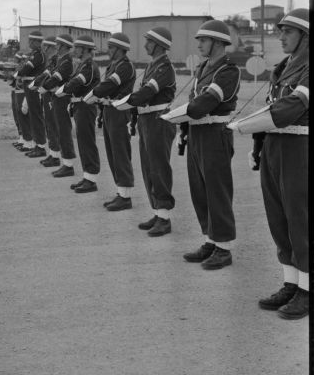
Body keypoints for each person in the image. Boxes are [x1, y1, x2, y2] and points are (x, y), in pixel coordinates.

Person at [228, 8, 309, 319]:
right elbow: (272, 106)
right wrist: (259, 145)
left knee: (300, 220)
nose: (281, 36)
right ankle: (291, 282)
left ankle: (307, 289)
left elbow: (291, 107)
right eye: (280, 30)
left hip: (300, 148)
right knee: (279, 220)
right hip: (276, 147)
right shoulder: (283, 68)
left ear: (306, 36)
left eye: (287, 31)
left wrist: (245, 125)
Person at [162, 19, 240, 270]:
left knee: (217, 190)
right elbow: (194, 101)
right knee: (200, 190)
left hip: (215, 132)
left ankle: (224, 247)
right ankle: (210, 239)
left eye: (203, 40)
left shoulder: (228, 70)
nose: (199, 45)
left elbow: (204, 102)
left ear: (218, 42)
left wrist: (173, 116)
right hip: (197, 133)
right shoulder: (203, 68)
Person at [116, 27, 176, 236]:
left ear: (159, 44)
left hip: (159, 120)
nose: (145, 45)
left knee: (159, 168)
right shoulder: (153, 66)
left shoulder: (164, 68)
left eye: (149, 41)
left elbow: (148, 92)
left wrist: (125, 103)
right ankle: (158, 212)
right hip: (146, 119)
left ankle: (165, 218)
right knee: (149, 168)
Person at [87, 32, 136, 211]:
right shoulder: (113, 65)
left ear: (120, 49)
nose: (109, 50)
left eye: (111, 47)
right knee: (112, 153)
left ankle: (125, 196)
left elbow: (109, 85)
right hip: (109, 110)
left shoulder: (125, 66)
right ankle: (120, 192)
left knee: (120, 153)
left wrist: (91, 96)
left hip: (119, 111)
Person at [62, 35, 101, 193]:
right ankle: (87, 177)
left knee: (87, 142)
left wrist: (64, 90)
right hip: (80, 105)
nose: (74, 50)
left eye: (77, 47)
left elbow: (78, 82)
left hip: (86, 106)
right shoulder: (82, 64)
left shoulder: (89, 66)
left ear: (85, 49)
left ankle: (91, 180)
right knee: (83, 142)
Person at [43, 34, 76, 178]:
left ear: (63, 46)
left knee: (63, 131)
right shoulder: (60, 60)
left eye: (58, 44)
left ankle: (68, 165)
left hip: (63, 98)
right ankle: (61, 159)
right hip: (56, 97)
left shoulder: (67, 62)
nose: (56, 46)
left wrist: (43, 86)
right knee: (56, 128)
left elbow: (56, 78)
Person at [31, 36, 61, 167]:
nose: (45, 49)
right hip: (47, 94)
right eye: (44, 46)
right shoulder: (52, 61)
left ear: (53, 47)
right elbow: (44, 76)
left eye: (47, 47)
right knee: (49, 124)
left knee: (53, 125)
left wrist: (44, 86)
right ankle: (53, 154)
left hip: (54, 95)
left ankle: (56, 156)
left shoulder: (58, 61)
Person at [17, 31, 47, 158]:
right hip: (29, 86)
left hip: (33, 87)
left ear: (36, 42)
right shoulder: (34, 54)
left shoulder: (38, 55)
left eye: (31, 41)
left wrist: (18, 75)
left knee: (36, 116)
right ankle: (37, 144)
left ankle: (40, 146)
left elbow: (26, 69)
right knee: (33, 116)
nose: (29, 43)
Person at [9, 53, 33, 152]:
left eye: (24, 59)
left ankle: (28, 140)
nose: (23, 61)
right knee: (17, 117)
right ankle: (22, 138)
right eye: (22, 59)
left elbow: (20, 81)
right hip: (16, 92)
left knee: (23, 116)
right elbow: (11, 81)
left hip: (22, 93)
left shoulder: (25, 69)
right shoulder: (19, 67)